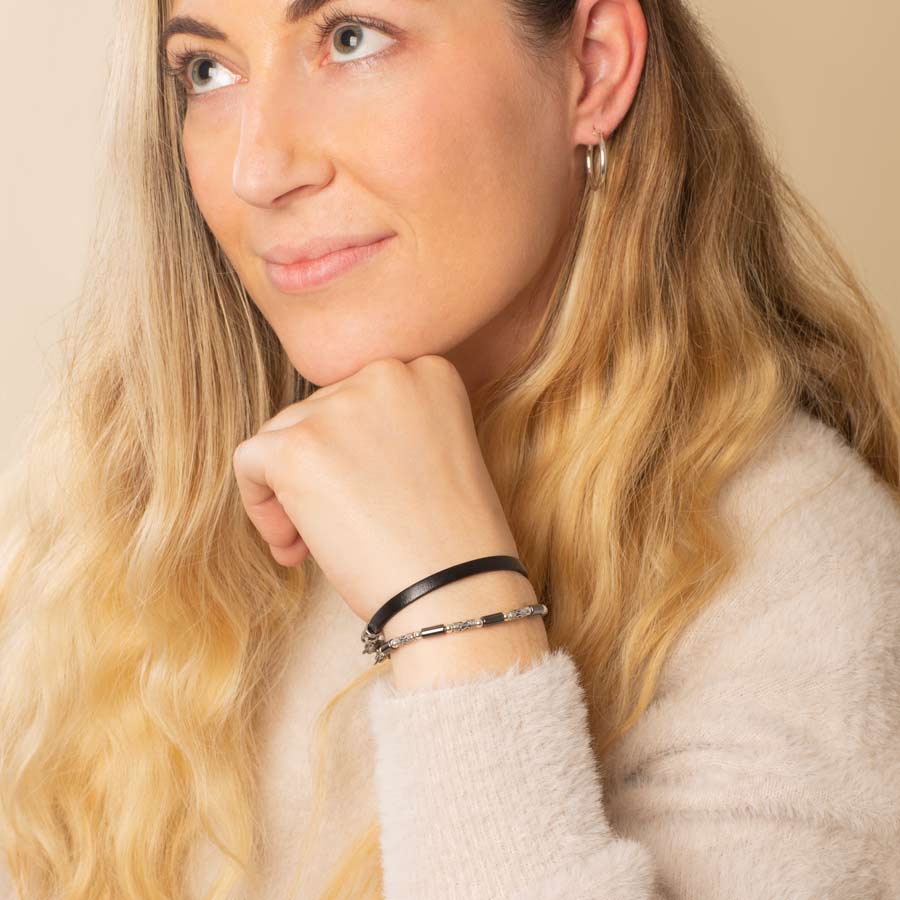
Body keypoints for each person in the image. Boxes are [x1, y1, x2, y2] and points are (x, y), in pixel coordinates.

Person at [1, 0, 899, 896]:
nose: (259, 168)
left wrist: (453, 616)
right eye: (208, 70)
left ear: (592, 65)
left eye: (350, 40)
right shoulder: (107, 525)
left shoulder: (799, 581)